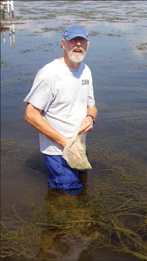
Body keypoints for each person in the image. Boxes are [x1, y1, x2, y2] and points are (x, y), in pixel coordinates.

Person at [24, 25, 97, 195]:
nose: (78, 44)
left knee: (82, 189)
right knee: (69, 200)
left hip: (79, 146)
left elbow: (91, 106)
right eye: (73, 40)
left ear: (88, 45)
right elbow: (31, 114)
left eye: (82, 40)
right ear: (63, 44)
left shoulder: (86, 71)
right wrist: (64, 142)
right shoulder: (49, 74)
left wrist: (90, 118)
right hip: (58, 152)